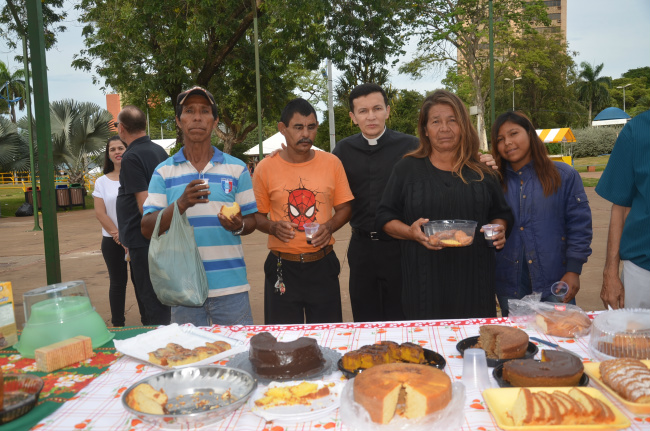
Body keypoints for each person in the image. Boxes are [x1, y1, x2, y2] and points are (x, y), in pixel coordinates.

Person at [376, 89, 513, 320]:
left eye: (452, 120)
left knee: (474, 349)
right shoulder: (407, 169)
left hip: (475, 286)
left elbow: (501, 213)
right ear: (425, 130)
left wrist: (499, 230)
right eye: (436, 121)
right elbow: (384, 218)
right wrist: (411, 233)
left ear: (463, 126)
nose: (444, 128)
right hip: (423, 288)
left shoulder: (482, 171)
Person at [141, 86, 257, 326]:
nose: (197, 117)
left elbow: (252, 221)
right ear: (179, 120)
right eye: (189, 111)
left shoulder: (237, 169)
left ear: (214, 122)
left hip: (231, 289)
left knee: (238, 359)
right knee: (190, 360)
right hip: (184, 291)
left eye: (205, 111)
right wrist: (181, 204)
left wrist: (238, 225)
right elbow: (146, 227)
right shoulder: (163, 172)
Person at [252, 98, 354, 325]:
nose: (306, 134)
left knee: (328, 338)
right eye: (298, 127)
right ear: (283, 129)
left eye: (311, 127)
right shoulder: (265, 168)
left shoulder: (332, 163)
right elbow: (256, 216)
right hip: (282, 267)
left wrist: (329, 227)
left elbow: (345, 207)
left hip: (323, 264)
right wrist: (272, 227)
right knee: (284, 343)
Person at [490, 111, 593, 317]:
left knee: (559, 339)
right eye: (500, 139)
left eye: (514, 133)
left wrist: (574, 270)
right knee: (517, 345)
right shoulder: (493, 181)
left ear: (530, 134)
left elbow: (580, 226)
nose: (507, 142)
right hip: (510, 285)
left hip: (556, 282)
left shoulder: (564, 176)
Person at [332, 84, 419, 322]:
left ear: (387, 111)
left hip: (400, 248)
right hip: (362, 249)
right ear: (353, 117)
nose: (371, 116)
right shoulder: (342, 150)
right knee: (364, 317)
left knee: (402, 316)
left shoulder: (412, 147)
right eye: (363, 111)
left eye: (377, 108)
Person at [116, 105, 171, 325]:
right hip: (161, 234)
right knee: (162, 294)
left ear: (121, 129)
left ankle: (157, 341)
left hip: (144, 238)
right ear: (145, 125)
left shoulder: (131, 157)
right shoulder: (159, 151)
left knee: (150, 297)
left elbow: (144, 204)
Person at [596, 109, 650, 309]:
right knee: (634, 340)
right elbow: (620, 208)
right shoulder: (637, 130)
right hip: (643, 272)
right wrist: (610, 272)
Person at [92, 136, 143, 326]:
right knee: (117, 283)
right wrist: (117, 234)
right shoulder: (101, 182)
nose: (117, 152)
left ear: (127, 150)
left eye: (120, 148)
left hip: (137, 239)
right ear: (108, 155)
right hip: (112, 241)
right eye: (112, 149)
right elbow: (100, 212)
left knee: (141, 283)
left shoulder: (137, 176)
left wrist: (129, 235)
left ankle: (148, 321)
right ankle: (118, 324)